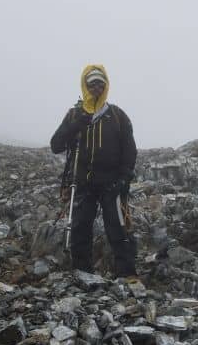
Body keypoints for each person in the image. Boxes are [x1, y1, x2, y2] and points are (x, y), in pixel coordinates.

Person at [50, 64, 137, 276]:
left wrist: (124, 178)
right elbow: (56, 145)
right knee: (80, 228)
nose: (96, 87)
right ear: (85, 85)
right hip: (82, 183)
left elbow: (130, 150)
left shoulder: (117, 116)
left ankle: (126, 275)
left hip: (112, 183)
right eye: (92, 83)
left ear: (106, 86)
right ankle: (82, 273)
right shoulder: (74, 115)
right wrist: (76, 125)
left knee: (117, 228)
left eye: (100, 83)